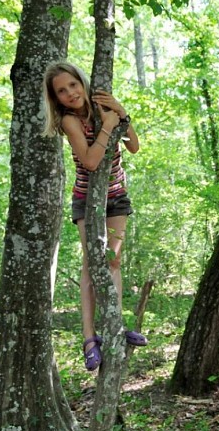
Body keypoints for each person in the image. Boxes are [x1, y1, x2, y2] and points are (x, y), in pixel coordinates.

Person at [42, 61, 147, 371]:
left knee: (112, 260)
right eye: (61, 91)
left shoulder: (104, 107)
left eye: (73, 85)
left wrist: (120, 114)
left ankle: (115, 325)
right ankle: (89, 338)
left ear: (82, 82)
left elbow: (135, 147)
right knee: (92, 262)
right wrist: (107, 127)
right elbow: (90, 161)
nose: (70, 93)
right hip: (87, 201)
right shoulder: (69, 121)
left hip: (116, 198)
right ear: (56, 98)